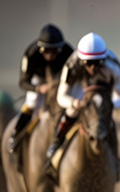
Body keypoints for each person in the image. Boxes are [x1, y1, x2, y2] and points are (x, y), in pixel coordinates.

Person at [51, 32, 120, 166]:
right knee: (71, 112)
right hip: (80, 90)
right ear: (81, 61)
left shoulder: (113, 66)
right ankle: (56, 143)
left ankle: (115, 158)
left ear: (104, 59)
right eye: (89, 63)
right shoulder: (72, 65)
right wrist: (74, 103)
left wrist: (108, 105)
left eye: (98, 63)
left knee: (109, 122)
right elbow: (61, 96)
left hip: (103, 97)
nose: (94, 67)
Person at [8, 24, 74, 153]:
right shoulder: (31, 54)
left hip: (59, 79)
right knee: (32, 100)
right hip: (38, 79)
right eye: (46, 52)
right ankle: (16, 134)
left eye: (55, 52)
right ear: (40, 49)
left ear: (61, 49)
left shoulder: (68, 52)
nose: (51, 56)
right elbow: (23, 83)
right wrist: (38, 88)